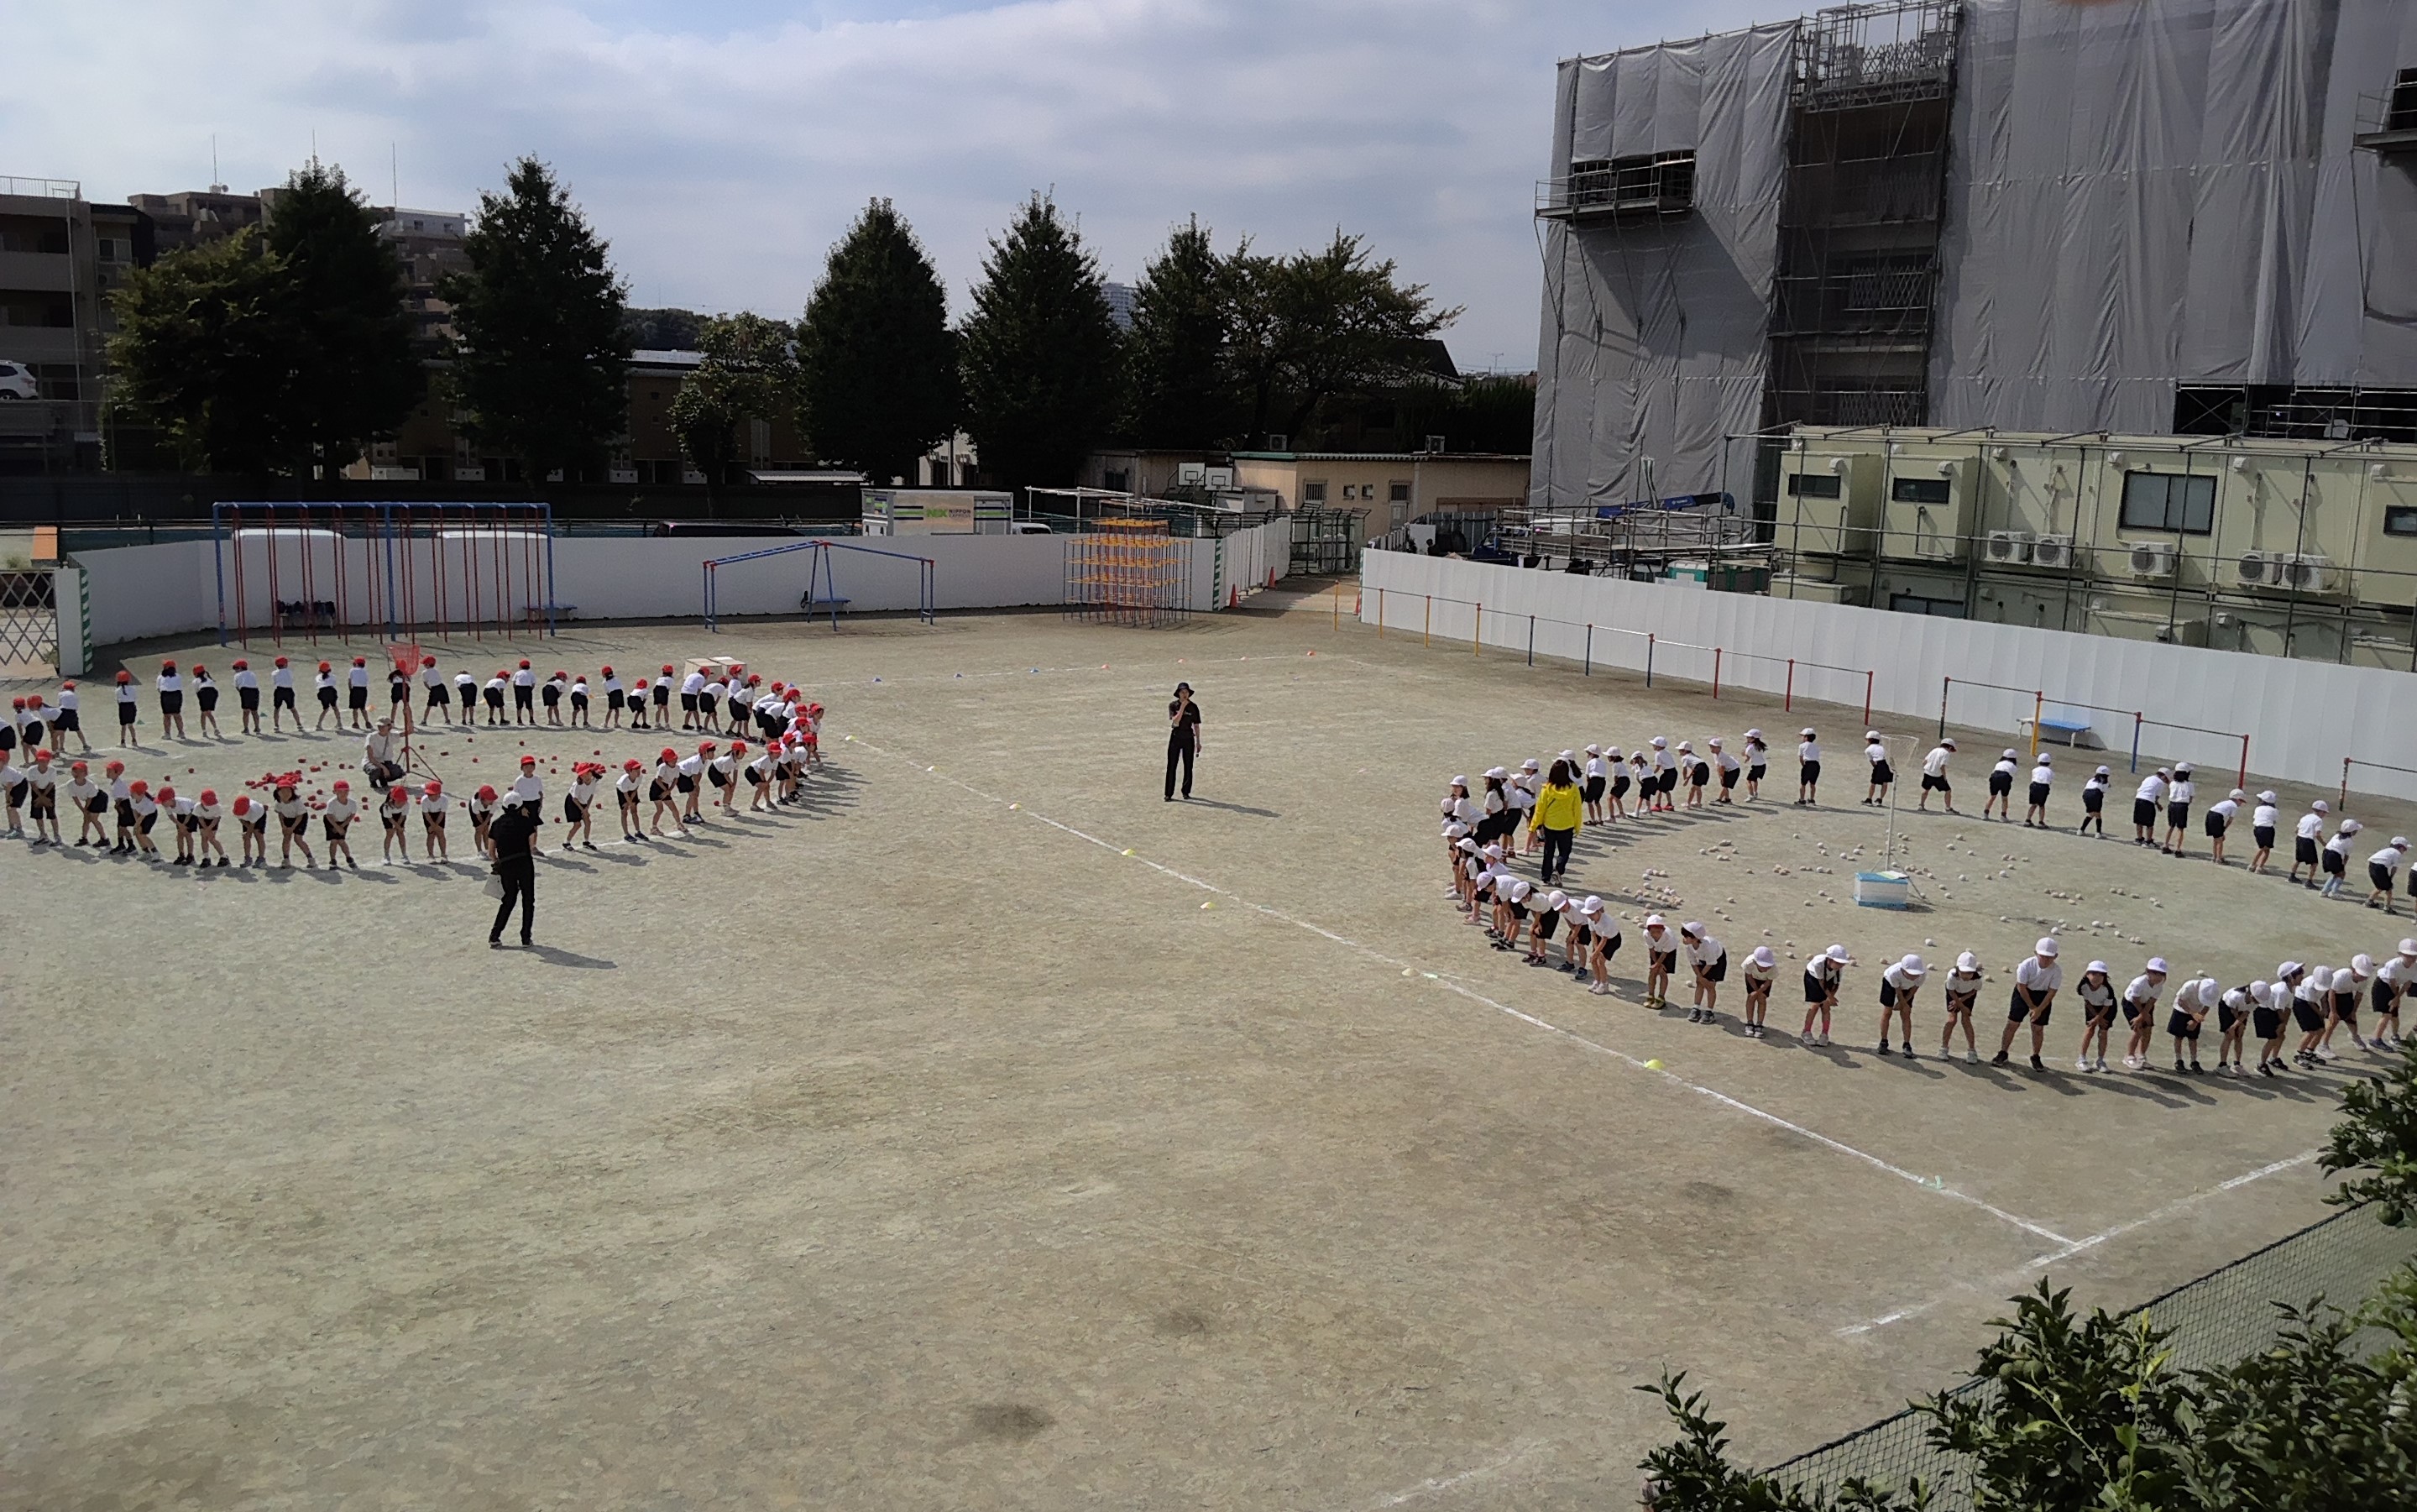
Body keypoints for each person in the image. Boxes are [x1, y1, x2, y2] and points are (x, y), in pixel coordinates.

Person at [1992, 938, 2063, 1070]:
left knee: (2038, 1028)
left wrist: (2039, 1009)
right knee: (2012, 1023)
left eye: (2049, 957)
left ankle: (2036, 1056)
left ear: (2055, 956)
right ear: (2036, 953)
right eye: (2042, 956)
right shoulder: (2026, 965)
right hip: (2023, 993)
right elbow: (2021, 987)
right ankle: (2003, 1052)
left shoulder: (2056, 971)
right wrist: (2032, 1007)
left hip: (2042, 996)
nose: (2045, 960)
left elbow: (2052, 992)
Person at [487, 797, 541, 948]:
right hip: (524, 863)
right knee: (528, 900)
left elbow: (491, 852)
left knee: (509, 899)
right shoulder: (526, 823)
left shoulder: (496, 824)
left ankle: (495, 935)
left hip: (506, 865)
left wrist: (497, 862)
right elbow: (532, 845)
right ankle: (525, 937)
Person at [1529, 758, 1582, 885]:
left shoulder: (1547, 788)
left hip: (1550, 825)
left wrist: (1533, 826)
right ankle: (1559, 869)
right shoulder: (1573, 788)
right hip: (1567, 825)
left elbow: (1540, 809)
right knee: (1565, 852)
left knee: (1548, 852)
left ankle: (1546, 876)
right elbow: (1577, 809)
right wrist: (1577, 826)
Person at [2119, 958, 2168, 1070]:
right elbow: (2135, 1000)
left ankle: (2141, 1056)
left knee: (2148, 1030)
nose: (2158, 977)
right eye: (2155, 973)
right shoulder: (2139, 983)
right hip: (2131, 1004)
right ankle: (2129, 1056)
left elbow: (2152, 1001)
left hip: (2146, 1004)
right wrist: (2141, 1015)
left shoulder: (2159, 985)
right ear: (2147, 972)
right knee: (2138, 1030)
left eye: (2161, 974)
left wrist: (2146, 1014)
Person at [2069, 960, 2116, 1071]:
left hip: (2107, 1009)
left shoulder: (2108, 990)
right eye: (2094, 973)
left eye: (2101, 974)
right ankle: (2081, 1059)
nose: (2097, 977)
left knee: (2103, 1032)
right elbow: (2087, 1002)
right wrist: (2095, 1017)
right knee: (2090, 1029)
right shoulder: (2083, 987)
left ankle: (2100, 1061)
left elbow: (2107, 1007)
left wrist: (2099, 1018)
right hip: (2092, 1008)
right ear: (2087, 974)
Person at [1876, 952, 1924, 1056]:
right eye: (1910, 974)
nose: (1913, 976)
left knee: (1906, 1013)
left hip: (1908, 989)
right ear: (1903, 970)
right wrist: (1901, 1003)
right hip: (1890, 985)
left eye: (1916, 974)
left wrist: (1904, 1004)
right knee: (1887, 1011)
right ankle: (1883, 1042)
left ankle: (1907, 1044)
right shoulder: (1893, 974)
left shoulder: (1921, 975)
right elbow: (1898, 991)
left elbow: (1914, 990)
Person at [1801, 944, 1849, 1044]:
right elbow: (1821, 982)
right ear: (1829, 960)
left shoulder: (1839, 969)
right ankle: (1806, 1032)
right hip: (1813, 978)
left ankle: (1825, 1034)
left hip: (1827, 979)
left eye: (1842, 963)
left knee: (1826, 1007)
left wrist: (1830, 998)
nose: (1841, 966)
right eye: (1838, 963)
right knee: (1815, 1005)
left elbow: (1836, 984)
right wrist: (1830, 997)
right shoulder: (1818, 964)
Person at [2373, 939, 2416, 1052]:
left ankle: (2395, 1036)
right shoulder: (2393, 965)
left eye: (2414, 956)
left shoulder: (2415, 967)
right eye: (2408, 956)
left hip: (2395, 987)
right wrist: (2396, 997)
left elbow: (2407, 983)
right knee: (2387, 1014)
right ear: (2400, 954)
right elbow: (2392, 982)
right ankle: (2376, 1039)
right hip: (2383, 986)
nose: (2412, 959)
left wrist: (2398, 997)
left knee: (2394, 1015)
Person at [1939, 950, 1982, 1063]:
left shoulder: (1978, 979)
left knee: (1966, 1020)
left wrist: (1961, 1002)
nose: (1966, 976)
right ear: (1958, 969)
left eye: (1969, 973)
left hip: (1968, 995)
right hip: (1953, 993)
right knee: (1952, 1020)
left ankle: (1972, 1051)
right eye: (1963, 972)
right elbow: (1951, 991)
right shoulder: (1951, 976)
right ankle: (1943, 1048)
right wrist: (1961, 1005)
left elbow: (1974, 991)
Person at [2168, 976, 2216, 1074]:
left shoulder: (2212, 992)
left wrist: (2196, 1021)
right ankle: (2178, 1060)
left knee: (2193, 1038)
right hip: (2181, 1010)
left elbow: (2207, 1006)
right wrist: (2193, 1014)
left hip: (2197, 1012)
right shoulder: (2189, 986)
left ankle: (2194, 1061)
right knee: (2179, 1036)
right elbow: (2180, 1001)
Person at [2253, 968, 2297, 1076]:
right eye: (2301, 975)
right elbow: (2279, 1009)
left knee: (2281, 1036)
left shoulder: (2291, 988)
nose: (2303, 977)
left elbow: (2288, 1008)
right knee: (2273, 1038)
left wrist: (2284, 1024)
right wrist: (2281, 1023)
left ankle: (2274, 1059)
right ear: (2291, 978)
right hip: (2265, 1012)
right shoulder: (2282, 991)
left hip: (2273, 1011)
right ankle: (2261, 1065)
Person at [1682, 922, 1726, 1023]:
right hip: (1704, 959)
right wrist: (1699, 976)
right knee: (1699, 983)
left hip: (1716, 960)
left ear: (1695, 939)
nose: (1684, 938)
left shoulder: (1708, 947)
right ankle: (1696, 1008)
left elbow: (1710, 964)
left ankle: (1709, 1012)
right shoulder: (1689, 946)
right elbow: (1693, 962)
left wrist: (1701, 976)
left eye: (1686, 936)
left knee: (1710, 985)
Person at [1166, 683, 1202, 801]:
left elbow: (1196, 725)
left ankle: (1186, 792)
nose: (1185, 694)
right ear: (1178, 694)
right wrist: (1182, 707)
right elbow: (1175, 721)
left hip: (1188, 738)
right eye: (1182, 692)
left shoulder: (1193, 707)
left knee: (1188, 766)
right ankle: (1168, 793)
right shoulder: (1173, 705)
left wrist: (1198, 742)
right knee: (1172, 765)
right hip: (1176, 737)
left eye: (1186, 692)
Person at [2289, 800, 2331, 886]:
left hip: (2300, 838)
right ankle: (2309, 881)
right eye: (2324, 812)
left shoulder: (2305, 817)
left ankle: (2292, 876)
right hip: (2308, 841)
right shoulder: (2318, 820)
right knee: (2314, 863)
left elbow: (2296, 830)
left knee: (2298, 859)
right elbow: (2317, 834)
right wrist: (2324, 844)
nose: (2324, 815)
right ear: (2320, 811)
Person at [1640, 914, 1677, 1008]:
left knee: (1663, 973)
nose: (1655, 935)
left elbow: (1664, 953)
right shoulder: (1646, 934)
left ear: (1662, 930)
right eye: (1653, 932)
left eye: (1658, 932)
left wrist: (1658, 965)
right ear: (1649, 930)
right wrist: (1656, 963)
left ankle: (1661, 998)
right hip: (1656, 951)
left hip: (1669, 952)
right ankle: (1651, 995)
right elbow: (1651, 949)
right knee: (1653, 972)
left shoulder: (1668, 937)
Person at [322, 780, 360, 870]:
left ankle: (349, 858)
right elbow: (329, 816)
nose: (343, 794)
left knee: (341, 841)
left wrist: (342, 826)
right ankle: (333, 861)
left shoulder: (352, 803)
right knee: (334, 841)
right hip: (331, 821)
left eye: (346, 791)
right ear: (335, 792)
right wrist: (337, 827)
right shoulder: (331, 803)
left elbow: (352, 815)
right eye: (340, 791)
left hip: (344, 821)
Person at [2321, 818, 2363, 898]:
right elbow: (2346, 856)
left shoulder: (2336, 835)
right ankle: (2333, 892)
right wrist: (2343, 865)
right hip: (2334, 856)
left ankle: (2325, 891)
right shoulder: (2349, 841)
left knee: (2336, 873)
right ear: (2352, 831)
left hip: (2326, 853)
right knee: (2341, 874)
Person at [1740, 945, 1776, 1039]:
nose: (1766, 969)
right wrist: (1755, 990)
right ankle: (1750, 1023)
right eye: (1763, 966)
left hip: (1765, 981)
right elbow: (1749, 976)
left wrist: (1759, 992)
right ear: (1755, 963)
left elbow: (1769, 982)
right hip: (1752, 979)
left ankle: (1759, 1024)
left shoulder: (1773, 968)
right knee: (1751, 997)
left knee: (1762, 999)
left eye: (1767, 966)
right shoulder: (1748, 963)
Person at [2160, 763, 2196, 855]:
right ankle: (2178, 849)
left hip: (2172, 804)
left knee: (2171, 826)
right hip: (2182, 806)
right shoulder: (2190, 785)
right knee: (2180, 828)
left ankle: (2165, 845)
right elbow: (2191, 798)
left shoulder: (2172, 783)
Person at [2367, 835, 2410, 912]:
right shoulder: (2397, 853)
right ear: (2400, 847)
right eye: (2405, 849)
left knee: (2380, 887)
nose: (2404, 851)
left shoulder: (2388, 850)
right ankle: (2387, 907)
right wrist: (2390, 879)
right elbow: (2394, 868)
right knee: (2389, 889)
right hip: (2380, 868)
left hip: (2372, 865)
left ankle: (2370, 901)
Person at [363, 719, 406, 792]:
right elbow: (371, 758)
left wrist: (408, 715)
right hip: (371, 762)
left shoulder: (392, 736)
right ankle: (373, 781)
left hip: (385, 761)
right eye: (379, 726)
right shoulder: (371, 737)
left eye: (383, 726)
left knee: (397, 772)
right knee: (377, 770)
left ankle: (383, 780)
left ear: (389, 727)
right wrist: (384, 768)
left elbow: (409, 731)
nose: (381, 728)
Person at [2132, 768, 2169, 845]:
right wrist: (2158, 805)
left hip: (2139, 799)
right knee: (2150, 823)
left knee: (2139, 821)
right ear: (2163, 776)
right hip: (2149, 801)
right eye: (2166, 779)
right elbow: (2156, 797)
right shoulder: (2160, 783)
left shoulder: (2148, 778)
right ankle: (2148, 841)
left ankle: (2139, 839)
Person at [1917, 739, 1956, 814]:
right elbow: (1942, 767)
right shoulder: (1946, 753)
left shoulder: (1934, 750)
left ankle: (1921, 805)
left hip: (1927, 773)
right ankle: (1948, 808)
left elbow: (1924, 761)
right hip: (1938, 775)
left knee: (1926, 789)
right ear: (1950, 747)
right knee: (1948, 790)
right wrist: (1944, 777)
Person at [2248, 791, 2280, 874]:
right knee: (2266, 850)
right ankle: (2259, 867)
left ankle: (2253, 865)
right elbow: (2274, 821)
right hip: (2267, 829)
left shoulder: (2258, 808)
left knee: (2261, 847)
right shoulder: (2275, 810)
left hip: (2257, 829)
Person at [420, 777, 451, 862]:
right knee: (431, 834)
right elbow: (426, 814)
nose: (431, 797)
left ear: (439, 793)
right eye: (429, 794)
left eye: (433, 794)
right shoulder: (424, 800)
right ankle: (431, 855)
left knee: (441, 833)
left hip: (439, 815)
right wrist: (432, 826)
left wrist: (436, 825)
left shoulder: (444, 800)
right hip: (429, 815)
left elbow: (442, 813)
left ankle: (443, 855)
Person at [1983, 749, 2017, 822]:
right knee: (2004, 798)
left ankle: (1985, 813)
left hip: (1995, 776)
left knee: (1992, 797)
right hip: (2005, 777)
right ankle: (2003, 816)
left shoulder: (1999, 763)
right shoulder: (2013, 765)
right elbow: (2012, 774)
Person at [2022, 750, 2054, 827]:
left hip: (2034, 786)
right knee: (2041, 805)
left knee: (2033, 804)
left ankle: (2028, 820)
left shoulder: (2035, 770)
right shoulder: (2050, 771)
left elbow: (2033, 778)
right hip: (2043, 787)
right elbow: (2050, 781)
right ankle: (2041, 822)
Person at [54, 679, 86, 752]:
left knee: (62, 731)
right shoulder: (75, 695)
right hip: (72, 713)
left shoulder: (60, 694)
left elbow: (59, 704)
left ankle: (61, 747)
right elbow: (76, 706)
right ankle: (85, 745)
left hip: (63, 712)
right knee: (78, 730)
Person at [155, 660, 186, 741]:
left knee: (167, 715)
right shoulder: (178, 676)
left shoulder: (160, 677)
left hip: (166, 695)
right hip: (177, 695)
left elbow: (159, 689)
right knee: (177, 714)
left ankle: (167, 734)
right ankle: (181, 732)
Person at [1861, 731, 1892, 807]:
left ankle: (1869, 799)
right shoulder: (1883, 747)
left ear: (1870, 740)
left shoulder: (1868, 750)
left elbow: (1872, 762)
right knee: (1885, 783)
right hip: (1886, 764)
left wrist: (1876, 768)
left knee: (1873, 783)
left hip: (1879, 764)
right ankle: (1880, 800)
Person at [2078, 764, 2110, 836]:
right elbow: (2103, 791)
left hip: (2086, 794)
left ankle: (2081, 830)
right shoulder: (2105, 782)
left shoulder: (2091, 780)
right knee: (2098, 814)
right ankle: (2098, 833)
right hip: (2096, 794)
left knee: (2091, 813)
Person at [269, 655, 299, 731]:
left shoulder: (274, 673)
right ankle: (299, 724)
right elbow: (291, 680)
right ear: (285, 664)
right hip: (289, 691)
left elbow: (274, 681)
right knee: (293, 708)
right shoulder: (289, 672)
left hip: (279, 690)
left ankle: (276, 726)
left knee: (277, 708)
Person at [191, 664, 222, 738]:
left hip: (204, 693)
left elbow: (197, 692)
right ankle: (210, 730)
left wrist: (202, 702)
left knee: (205, 713)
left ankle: (209, 730)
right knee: (206, 713)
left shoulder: (195, 681)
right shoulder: (209, 679)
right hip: (214, 693)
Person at [1581, 744, 1608, 824]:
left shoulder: (1590, 762)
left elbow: (1588, 776)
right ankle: (1600, 819)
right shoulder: (1603, 763)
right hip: (1602, 781)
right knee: (1597, 801)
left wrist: (1589, 785)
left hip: (1594, 781)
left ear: (1592, 754)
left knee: (1589, 801)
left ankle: (1593, 820)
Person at [1795, 728, 1822, 806]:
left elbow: (1801, 758)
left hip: (1808, 764)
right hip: (1816, 765)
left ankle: (1802, 800)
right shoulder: (1816, 746)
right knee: (1813, 784)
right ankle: (1812, 800)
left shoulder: (1802, 746)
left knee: (1803, 783)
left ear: (1806, 737)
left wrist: (1803, 766)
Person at [420, 655, 450, 724]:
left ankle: (424, 720)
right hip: (441, 687)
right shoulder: (436, 670)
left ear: (428, 664)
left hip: (434, 689)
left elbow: (425, 683)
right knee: (443, 705)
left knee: (429, 705)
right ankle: (447, 719)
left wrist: (430, 689)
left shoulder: (424, 672)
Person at [114, 669, 139, 746]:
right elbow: (134, 698)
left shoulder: (118, 690)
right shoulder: (133, 689)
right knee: (131, 725)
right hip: (131, 706)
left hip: (123, 707)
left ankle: (123, 741)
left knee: (123, 726)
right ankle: (134, 740)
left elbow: (118, 701)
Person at [1712, 737, 1741, 804]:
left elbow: (1722, 767)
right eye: (1711, 747)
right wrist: (1720, 777)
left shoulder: (1723, 756)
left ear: (1719, 748)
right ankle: (1727, 799)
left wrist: (1722, 777)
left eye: (1714, 747)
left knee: (1725, 785)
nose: (1712, 748)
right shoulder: (1715, 755)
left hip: (1734, 770)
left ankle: (1719, 800)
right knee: (1724, 784)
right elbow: (1718, 766)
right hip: (1727, 770)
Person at [347, 655, 372, 730]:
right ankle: (367, 722)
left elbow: (349, 681)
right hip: (363, 689)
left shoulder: (352, 670)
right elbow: (366, 680)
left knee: (355, 708)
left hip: (355, 689)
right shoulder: (365, 671)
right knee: (362, 707)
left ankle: (356, 723)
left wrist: (351, 690)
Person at [1741, 730, 1768, 802]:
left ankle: (1751, 795)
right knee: (1755, 779)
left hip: (1756, 766)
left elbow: (1748, 757)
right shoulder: (1760, 746)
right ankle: (1755, 793)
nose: (1747, 738)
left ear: (1753, 738)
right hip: (1763, 765)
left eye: (1748, 737)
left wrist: (1744, 757)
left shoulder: (1750, 747)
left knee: (1748, 780)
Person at [313, 660, 339, 730]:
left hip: (322, 693)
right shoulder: (333, 676)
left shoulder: (318, 677)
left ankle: (319, 724)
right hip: (331, 692)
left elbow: (318, 683)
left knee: (325, 709)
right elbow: (334, 683)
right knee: (335, 708)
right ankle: (339, 723)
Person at [511, 658, 536, 725]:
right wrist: (530, 690)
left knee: (519, 706)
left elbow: (514, 683)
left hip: (519, 689)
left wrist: (516, 689)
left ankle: (519, 720)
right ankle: (531, 719)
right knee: (529, 706)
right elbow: (533, 684)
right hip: (527, 689)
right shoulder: (531, 673)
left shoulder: (517, 673)